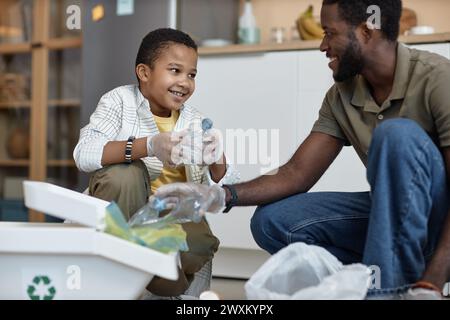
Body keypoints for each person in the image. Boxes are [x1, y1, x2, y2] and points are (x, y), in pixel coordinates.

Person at [151, 0, 450, 298]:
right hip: (391, 220)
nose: (322, 45)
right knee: (272, 221)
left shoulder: (437, 78)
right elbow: (296, 173)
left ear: (365, 32)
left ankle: (394, 290)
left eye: (330, 33)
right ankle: (365, 280)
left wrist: (433, 283)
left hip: (439, 220)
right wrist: (219, 195)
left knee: (396, 135)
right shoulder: (341, 96)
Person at [73, 28, 239, 297]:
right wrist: (148, 145)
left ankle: (142, 275)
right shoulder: (119, 101)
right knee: (124, 174)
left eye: (192, 75)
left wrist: (216, 158)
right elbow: (84, 153)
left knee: (200, 242)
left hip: (169, 216)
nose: (185, 82)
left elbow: (228, 188)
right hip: (123, 212)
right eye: (175, 70)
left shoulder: (195, 120)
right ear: (144, 72)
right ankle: (124, 269)